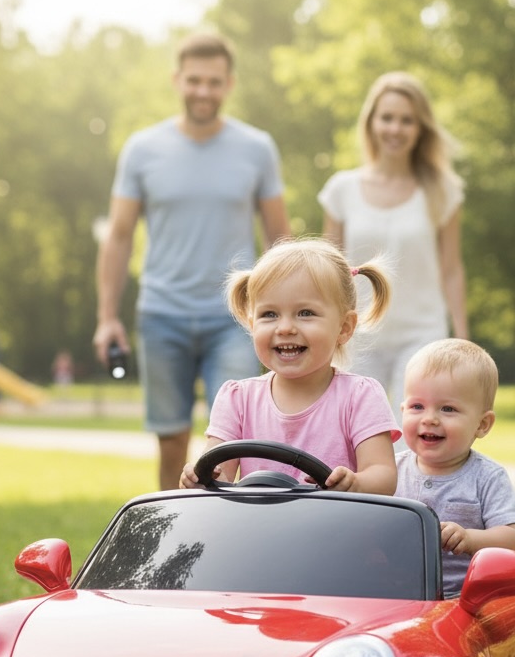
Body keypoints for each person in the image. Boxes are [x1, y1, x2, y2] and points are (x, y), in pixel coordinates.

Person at [93, 33, 291, 489]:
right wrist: (107, 318)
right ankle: (171, 546)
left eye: (214, 82)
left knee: (234, 444)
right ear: (177, 80)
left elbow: (280, 238)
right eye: (195, 80)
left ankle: (229, 544)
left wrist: (285, 311)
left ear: (229, 84)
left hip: (236, 318)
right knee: (171, 441)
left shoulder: (257, 148)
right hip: (162, 313)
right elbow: (119, 235)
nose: (203, 91)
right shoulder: (142, 149)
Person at [180, 238, 400, 494]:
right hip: (257, 528)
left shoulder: (360, 396)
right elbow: (218, 475)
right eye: (269, 314)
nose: (284, 328)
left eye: (305, 313)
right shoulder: (237, 399)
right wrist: (199, 479)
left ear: (344, 327)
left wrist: (356, 483)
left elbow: (384, 476)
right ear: (252, 324)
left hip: (338, 529)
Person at [319, 71, 468, 410]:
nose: (395, 129)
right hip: (357, 334)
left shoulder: (442, 191)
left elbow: (452, 269)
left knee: (416, 436)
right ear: (371, 122)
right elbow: (328, 272)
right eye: (387, 118)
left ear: (420, 129)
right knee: (350, 435)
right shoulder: (342, 190)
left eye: (407, 121)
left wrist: (461, 336)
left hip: (421, 333)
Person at [396, 339, 515, 598]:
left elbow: (514, 538)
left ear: (482, 424)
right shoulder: (391, 470)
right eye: (417, 406)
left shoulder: (487, 476)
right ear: (402, 410)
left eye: (448, 409)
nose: (429, 418)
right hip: (395, 593)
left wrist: (470, 539)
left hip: (465, 600)